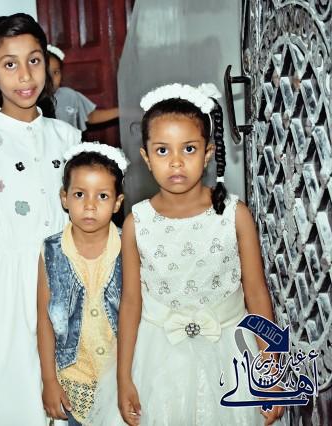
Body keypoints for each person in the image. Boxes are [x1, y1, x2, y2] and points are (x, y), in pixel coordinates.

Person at [116, 83, 285, 425]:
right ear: (146, 158)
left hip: (231, 354)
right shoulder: (137, 222)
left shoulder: (235, 215)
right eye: (162, 151)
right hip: (159, 359)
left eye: (189, 149)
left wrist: (271, 368)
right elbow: (131, 302)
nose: (176, 161)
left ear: (207, 153)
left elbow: (256, 293)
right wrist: (123, 377)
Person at [0, 13, 82, 425]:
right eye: (9, 64)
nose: (25, 75)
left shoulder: (68, 138)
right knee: (12, 388)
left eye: (34, 60)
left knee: (66, 383)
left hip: (62, 275)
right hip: (6, 284)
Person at [37, 142, 128, 426]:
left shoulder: (129, 246)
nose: (90, 205)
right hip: (74, 381)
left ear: (117, 203)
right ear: (64, 198)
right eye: (79, 194)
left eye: (102, 196)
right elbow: (44, 319)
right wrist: (49, 381)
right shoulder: (50, 251)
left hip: (124, 377)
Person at [47, 45, 119, 131]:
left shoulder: (69, 95)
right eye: (46, 72)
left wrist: (122, 111)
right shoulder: (33, 102)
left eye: (56, 72)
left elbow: (90, 116)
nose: (51, 78)